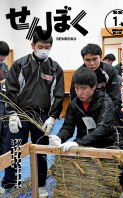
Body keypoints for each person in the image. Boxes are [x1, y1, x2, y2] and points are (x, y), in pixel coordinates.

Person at [1, 31, 64, 197]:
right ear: (32, 46)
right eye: (40, 47)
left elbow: (58, 95)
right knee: (13, 149)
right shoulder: (20, 65)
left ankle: (40, 184)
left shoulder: (55, 68)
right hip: (20, 115)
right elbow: (11, 90)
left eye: (47, 47)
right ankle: (10, 182)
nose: (44, 50)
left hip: (42, 116)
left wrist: (52, 117)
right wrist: (13, 113)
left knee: (41, 151)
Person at [49, 67, 123, 190]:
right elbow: (68, 127)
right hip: (83, 144)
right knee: (57, 167)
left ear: (94, 87)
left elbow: (103, 128)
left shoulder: (105, 102)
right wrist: (59, 138)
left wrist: (78, 143)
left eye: (83, 88)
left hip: (105, 144)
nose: (79, 92)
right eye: (76, 88)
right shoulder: (74, 104)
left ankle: (117, 191)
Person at [70, 43, 120, 110]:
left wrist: (106, 112)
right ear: (83, 60)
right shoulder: (78, 73)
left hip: (107, 107)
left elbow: (114, 96)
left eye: (95, 59)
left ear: (101, 58)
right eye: (88, 60)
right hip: (87, 109)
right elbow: (74, 97)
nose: (92, 63)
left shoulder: (110, 70)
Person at [0, 41, 9, 155]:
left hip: (6, 102)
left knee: (6, 132)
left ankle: (4, 158)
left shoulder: (6, 67)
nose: (2, 58)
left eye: (5, 56)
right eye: (1, 55)